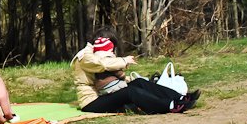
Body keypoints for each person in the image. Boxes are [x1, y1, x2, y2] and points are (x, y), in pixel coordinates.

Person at [71, 30, 201, 114]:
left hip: (103, 95)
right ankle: (169, 106)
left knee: (138, 82)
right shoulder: (84, 57)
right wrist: (124, 60)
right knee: (129, 92)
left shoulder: (94, 54)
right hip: (92, 102)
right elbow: (101, 65)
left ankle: (179, 97)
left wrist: (128, 80)